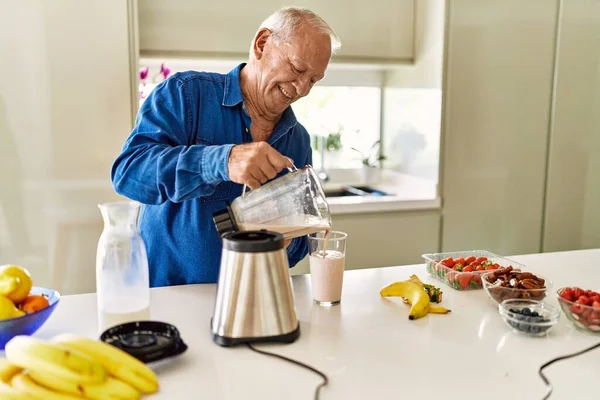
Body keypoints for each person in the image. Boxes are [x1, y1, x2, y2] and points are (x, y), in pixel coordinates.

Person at [111, 7, 341, 287]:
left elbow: (297, 249)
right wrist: (222, 161)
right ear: (262, 44)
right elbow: (129, 174)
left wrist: (289, 240)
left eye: (314, 80)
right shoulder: (186, 94)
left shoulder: (298, 140)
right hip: (167, 296)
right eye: (296, 68)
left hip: (250, 299)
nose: (302, 88)